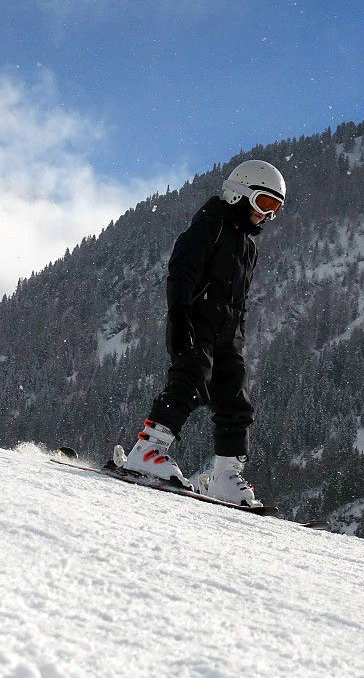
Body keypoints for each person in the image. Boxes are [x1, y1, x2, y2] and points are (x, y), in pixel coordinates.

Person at [122, 160, 286, 506]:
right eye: (264, 204)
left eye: (275, 209)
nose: (267, 216)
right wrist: (180, 316)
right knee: (191, 378)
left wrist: (237, 337)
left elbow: (238, 301)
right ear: (239, 195)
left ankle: (226, 475)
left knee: (235, 397)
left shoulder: (249, 245)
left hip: (228, 333)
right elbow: (181, 272)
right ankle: (148, 450)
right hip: (195, 321)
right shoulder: (209, 227)